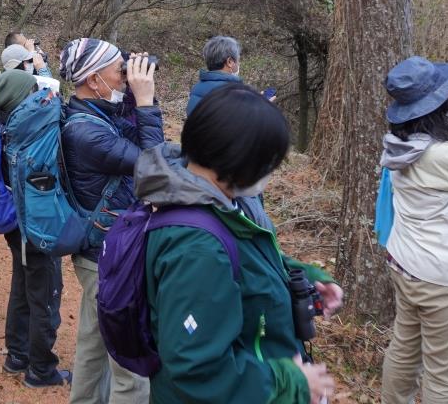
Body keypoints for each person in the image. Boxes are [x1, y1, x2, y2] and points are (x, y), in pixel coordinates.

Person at [135, 84, 341, 403]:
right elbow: (197, 371)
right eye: (269, 163)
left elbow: (244, 259)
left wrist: (302, 277)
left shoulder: (214, 202)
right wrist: (291, 383)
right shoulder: (196, 246)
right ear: (242, 161)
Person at [59, 38, 162, 404]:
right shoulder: (86, 132)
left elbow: (137, 141)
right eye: (117, 69)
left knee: (93, 345)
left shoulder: (96, 114)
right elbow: (154, 168)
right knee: (130, 367)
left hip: (100, 253)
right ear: (92, 79)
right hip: (111, 257)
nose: (123, 76)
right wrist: (146, 103)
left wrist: (136, 97)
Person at [380, 56, 448, 403]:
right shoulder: (444, 159)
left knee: (404, 349)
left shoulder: (400, 146)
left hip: (406, 264)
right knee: (446, 375)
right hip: (443, 281)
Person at [0, 70, 70, 388]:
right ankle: (41, 369)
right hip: (36, 226)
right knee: (45, 295)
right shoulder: (36, 128)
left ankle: (17, 355)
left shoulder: (9, 124)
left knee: (22, 288)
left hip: (17, 226)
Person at [185, 35, 242, 117]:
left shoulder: (196, 88)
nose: (239, 64)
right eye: (238, 60)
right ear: (230, 62)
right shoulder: (236, 92)